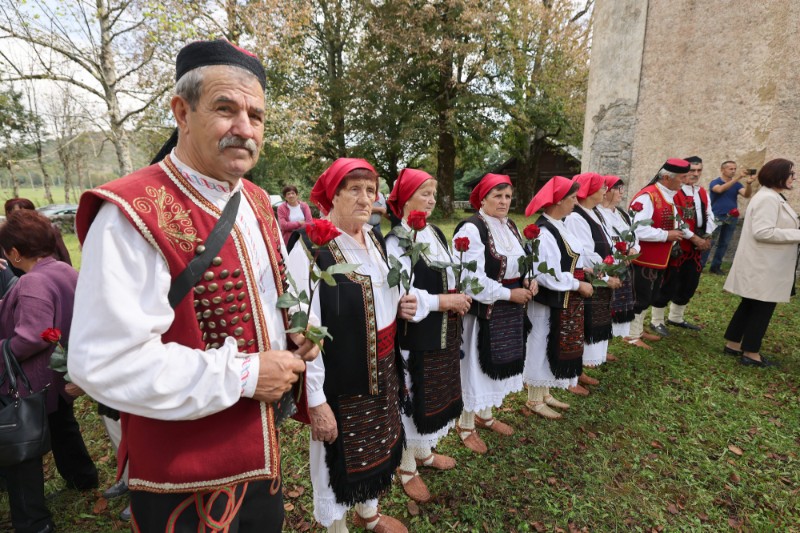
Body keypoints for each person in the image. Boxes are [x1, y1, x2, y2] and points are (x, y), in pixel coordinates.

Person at [68, 39, 316, 532]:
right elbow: (104, 361)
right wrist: (245, 375)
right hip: (184, 470)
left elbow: (264, 295)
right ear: (182, 111)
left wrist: (292, 330)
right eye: (225, 109)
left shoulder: (258, 202)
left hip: (257, 448)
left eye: (256, 116)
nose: (244, 129)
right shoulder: (130, 213)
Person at [289, 157, 413, 533]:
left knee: (376, 443)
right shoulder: (310, 247)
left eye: (371, 190)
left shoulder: (373, 237)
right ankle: (336, 525)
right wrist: (316, 400)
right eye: (354, 190)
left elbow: (377, 295)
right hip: (340, 376)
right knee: (335, 454)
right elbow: (301, 327)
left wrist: (400, 304)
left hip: (383, 366)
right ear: (333, 195)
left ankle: (369, 512)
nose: (365, 198)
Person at [0, 210, 98, 533]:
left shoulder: (32, 282)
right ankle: (82, 478)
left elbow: (33, 334)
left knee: (23, 454)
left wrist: (4, 350)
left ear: (14, 253)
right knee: (62, 425)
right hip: (59, 375)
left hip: (34, 380)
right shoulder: (65, 270)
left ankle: (33, 522)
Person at [385, 168, 471, 503]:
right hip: (415, 336)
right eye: (424, 193)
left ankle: (423, 451)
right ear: (405, 199)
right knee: (411, 399)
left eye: (434, 193)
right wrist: (444, 301)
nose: (432, 200)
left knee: (433, 393)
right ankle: (406, 467)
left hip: (443, 332)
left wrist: (459, 294)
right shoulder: (396, 240)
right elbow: (402, 297)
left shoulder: (434, 232)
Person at [452, 174, 535, 453]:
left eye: (507, 196)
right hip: (483, 311)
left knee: (498, 363)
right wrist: (509, 294)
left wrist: (527, 279)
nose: (503, 201)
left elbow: (519, 262)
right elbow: (468, 279)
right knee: (476, 366)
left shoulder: (510, 226)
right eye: (497, 195)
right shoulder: (471, 229)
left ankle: (485, 416)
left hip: (509, 308)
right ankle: (465, 425)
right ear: (483, 198)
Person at [523, 176, 593, 419]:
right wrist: (577, 284)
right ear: (559, 200)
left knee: (551, 343)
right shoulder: (543, 233)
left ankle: (543, 392)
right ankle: (533, 398)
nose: (575, 202)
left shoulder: (559, 225)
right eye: (572, 198)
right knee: (540, 343)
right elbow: (544, 275)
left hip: (564, 299)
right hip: (548, 300)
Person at [723, 158, 800, 367]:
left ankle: (733, 344)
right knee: (762, 308)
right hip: (765, 266)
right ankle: (751, 353)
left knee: (750, 304)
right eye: (791, 174)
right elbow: (763, 232)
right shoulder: (768, 198)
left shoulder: (772, 196)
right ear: (779, 175)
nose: (794, 178)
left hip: (764, 264)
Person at [626, 159, 697, 349]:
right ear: (667, 177)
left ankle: (638, 330)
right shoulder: (647, 197)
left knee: (649, 295)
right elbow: (636, 230)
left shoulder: (667, 195)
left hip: (658, 258)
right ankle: (630, 335)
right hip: (643, 257)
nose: (685, 181)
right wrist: (666, 235)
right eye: (682, 177)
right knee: (639, 296)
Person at [564, 173, 621, 392]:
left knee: (588, 323)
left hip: (597, 275)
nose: (605, 191)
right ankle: (573, 374)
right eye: (601, 188)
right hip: (588, 276)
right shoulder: (577, 218)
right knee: (581, 326)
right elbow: (585, 253)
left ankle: (579, 370)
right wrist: (604, 275)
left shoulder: (593, 213)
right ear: (589, 190)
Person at [649, 156, 714, 333]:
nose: (695, 174)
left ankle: (676, 317)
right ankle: (656, 320)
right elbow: (676, 219)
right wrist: (694, 238)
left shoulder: (701, 192)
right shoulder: (673, 192)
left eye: (699, 170)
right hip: (678, 245)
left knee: (690, 281)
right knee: (669, 281)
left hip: (696, 247)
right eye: (691, 170)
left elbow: (709, 214)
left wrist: (707, 236)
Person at [597, 175, 637, 339]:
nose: (622, 192)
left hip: (624, 265)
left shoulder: (622, 214)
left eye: (622, 189)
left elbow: (634, 236)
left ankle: (610, 340)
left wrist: (634, 248)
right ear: (606, 191)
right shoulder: (597, 213)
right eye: (618, 189)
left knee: (619, 304)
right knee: (603, 306)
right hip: (608, 265)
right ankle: (602, 342)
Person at [706, 160, 755, 274]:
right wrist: (738, 178)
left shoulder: (736, 184)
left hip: (731, 218)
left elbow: (747, 195)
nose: (733, 171)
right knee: (710, 241)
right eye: (730, 169)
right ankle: (701, 264)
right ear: (722, 170)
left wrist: (748, 184)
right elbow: (719, 190)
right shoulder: (715, 182)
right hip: (717, 217)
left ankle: (715, 267)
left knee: (724, 243)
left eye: (734, 169)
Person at [4, 198, 72, 275]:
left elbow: (63, 253)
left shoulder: (47, 229)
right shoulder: (5, 236)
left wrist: (68, 272)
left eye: (24, 213)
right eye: (15, 214)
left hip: (50, 273)